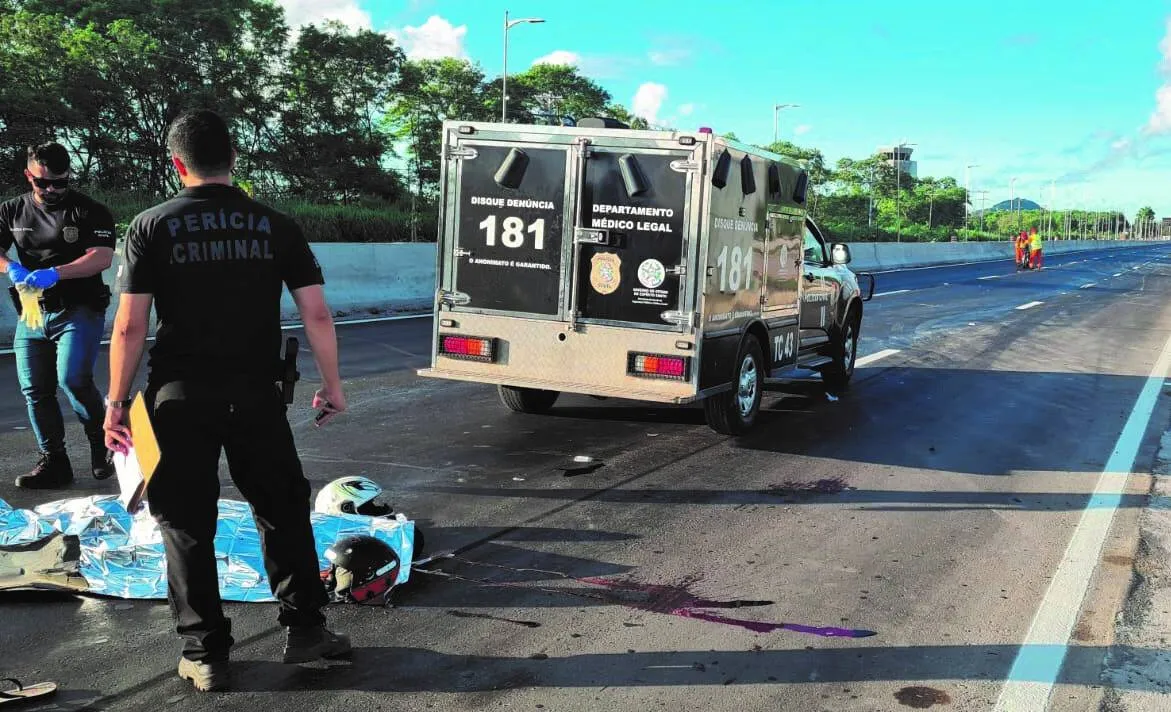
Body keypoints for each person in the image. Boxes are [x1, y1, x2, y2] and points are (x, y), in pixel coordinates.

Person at [102, 110, 349, 693]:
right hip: (256, 394)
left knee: (187, 522)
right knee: (281, 508)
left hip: (178, 399)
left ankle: (205, 653)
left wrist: (115, 403)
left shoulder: (149, 226)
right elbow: (315, 312)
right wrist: (333, 385)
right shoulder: (276, 224)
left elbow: (130, 326)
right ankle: (306, 629)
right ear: (234, 159)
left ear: (176, 162)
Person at [0, 142, 116, 488]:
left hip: (78, 309)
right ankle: (55, 461)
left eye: (60, 183)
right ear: (28, 176)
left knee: (73, 379)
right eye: (43, 183)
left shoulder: (88, 210)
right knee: (35, 389)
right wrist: (12, 269)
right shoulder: (11, 211)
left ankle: (101, 446)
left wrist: (56, 273)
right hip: (33, 313)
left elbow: (102, 257)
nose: (51, 190)